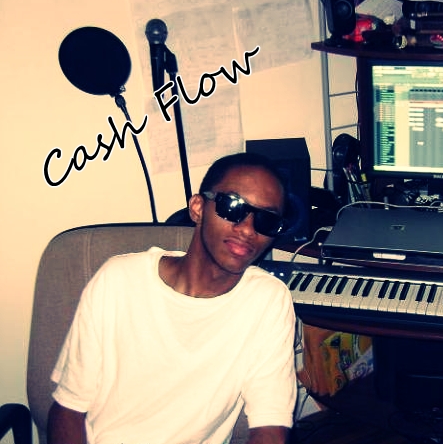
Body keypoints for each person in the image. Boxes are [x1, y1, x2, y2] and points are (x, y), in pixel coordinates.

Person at [47, 152, 297, 444]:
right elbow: (68, 407)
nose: (247, 229)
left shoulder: (267, 301)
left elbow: (270, 427)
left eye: (266, 220)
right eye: (233, 207)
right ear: (198, 208)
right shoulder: (118, 280)